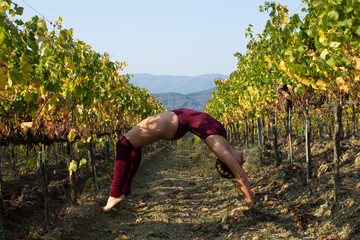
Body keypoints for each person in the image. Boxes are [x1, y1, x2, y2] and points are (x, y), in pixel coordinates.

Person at [102, 108, 254, 212]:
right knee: (133, 146)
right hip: (175, 119)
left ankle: (115, 194)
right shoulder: (223, 139)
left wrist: (249, 204)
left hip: (172, 122)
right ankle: (124, 190)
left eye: (238, 164)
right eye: (241, 163)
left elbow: (241, 176)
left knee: (123, 144)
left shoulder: (219, 148)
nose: (243, 162)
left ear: (227, 161)